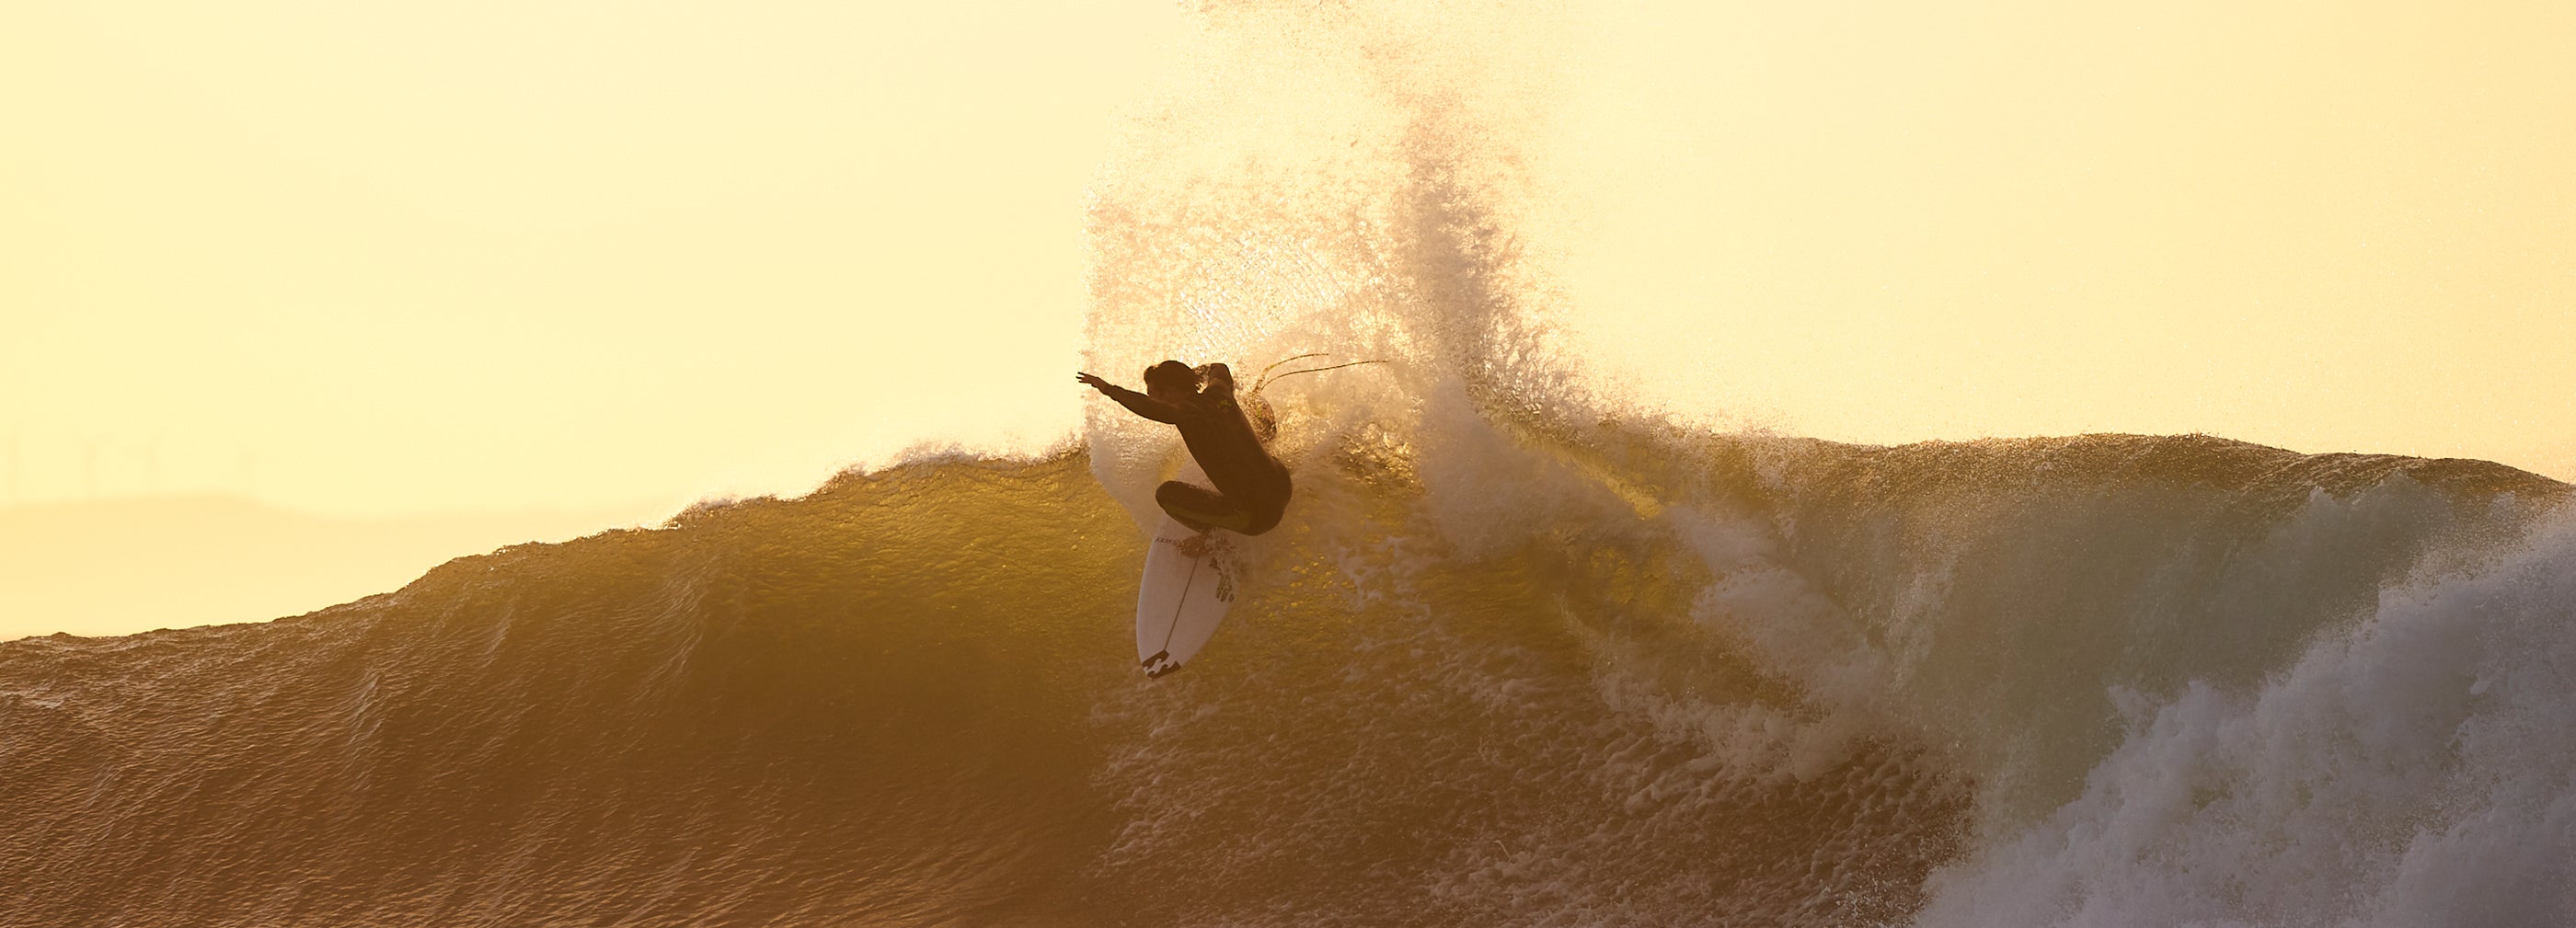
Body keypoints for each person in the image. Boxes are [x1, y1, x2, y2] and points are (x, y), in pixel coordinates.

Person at [1078, 360, 1292, 536]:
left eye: (1154, 393)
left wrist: (1108, 389)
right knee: (1250, 424)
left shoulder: (1185, 413)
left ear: (1170, 391)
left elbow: (1146, 406)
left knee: (1166, 495)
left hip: (1258, 516)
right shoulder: (1220, 391)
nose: (1152, 398)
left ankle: (1214, 542)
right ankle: (1278, 456)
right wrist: (1193, 374)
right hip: (1283, 486)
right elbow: (1219, 368)